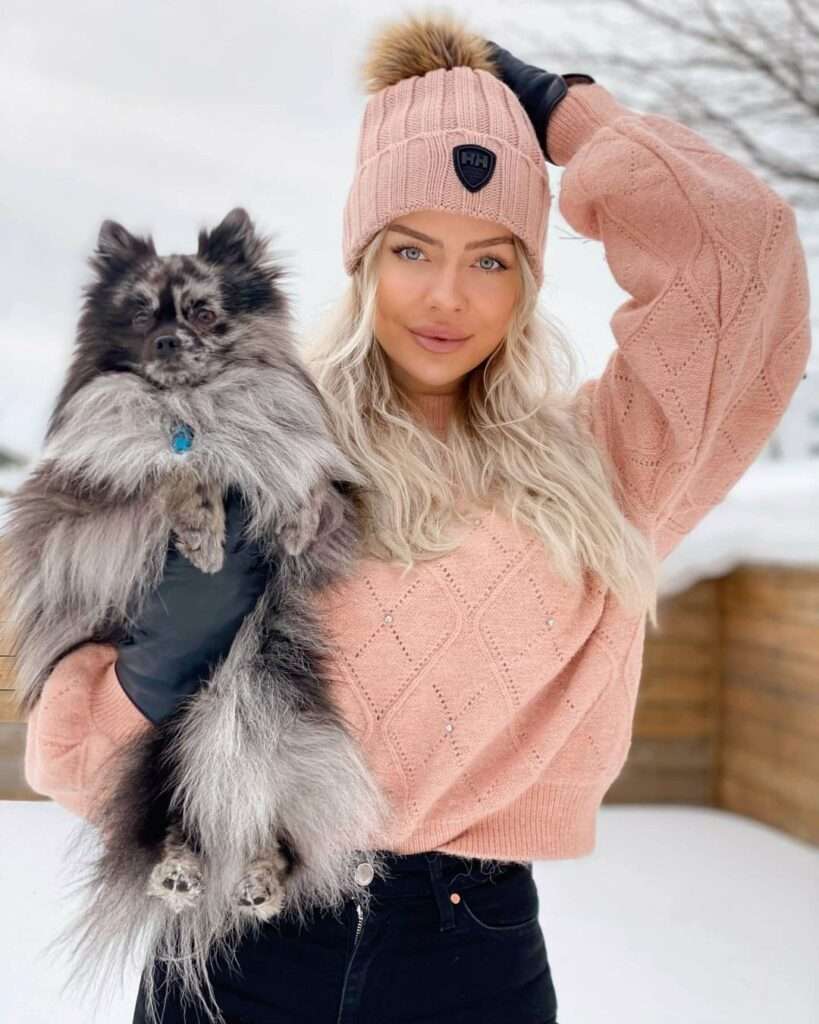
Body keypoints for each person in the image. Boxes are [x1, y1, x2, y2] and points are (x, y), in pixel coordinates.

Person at [22, 11, 811, 1024]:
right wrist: (153, 666)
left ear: (528, 278)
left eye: (491, 258)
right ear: (362, 257)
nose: (448, 296)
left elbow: (742, 263)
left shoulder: (611, 459)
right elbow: (70, 753)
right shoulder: (247, 436)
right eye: (411, 249)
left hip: (466, 953)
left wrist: (571, 117)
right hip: (233, 933)